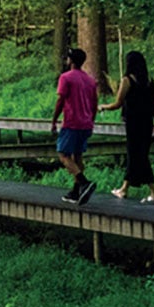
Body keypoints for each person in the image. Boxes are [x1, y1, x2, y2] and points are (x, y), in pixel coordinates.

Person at [98, 50, 154, 203]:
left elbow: (118, 103)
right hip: (147, 123)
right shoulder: (149, 81)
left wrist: (103, 107)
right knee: (140, 155)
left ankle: (148, 191)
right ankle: (129, 189)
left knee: (136, 155)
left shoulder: (127, 80)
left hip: (134, 123)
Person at [51, 47, 98, 205]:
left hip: (72, 122)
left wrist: (54, 120)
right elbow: (94, 104)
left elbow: (61, 100)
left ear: (71, 61)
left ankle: (84, 182)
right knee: (77, 156)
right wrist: (91, 122)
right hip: (86, 123)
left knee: (63, 154)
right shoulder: (90, 81)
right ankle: (76, 191)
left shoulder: (66, 78)